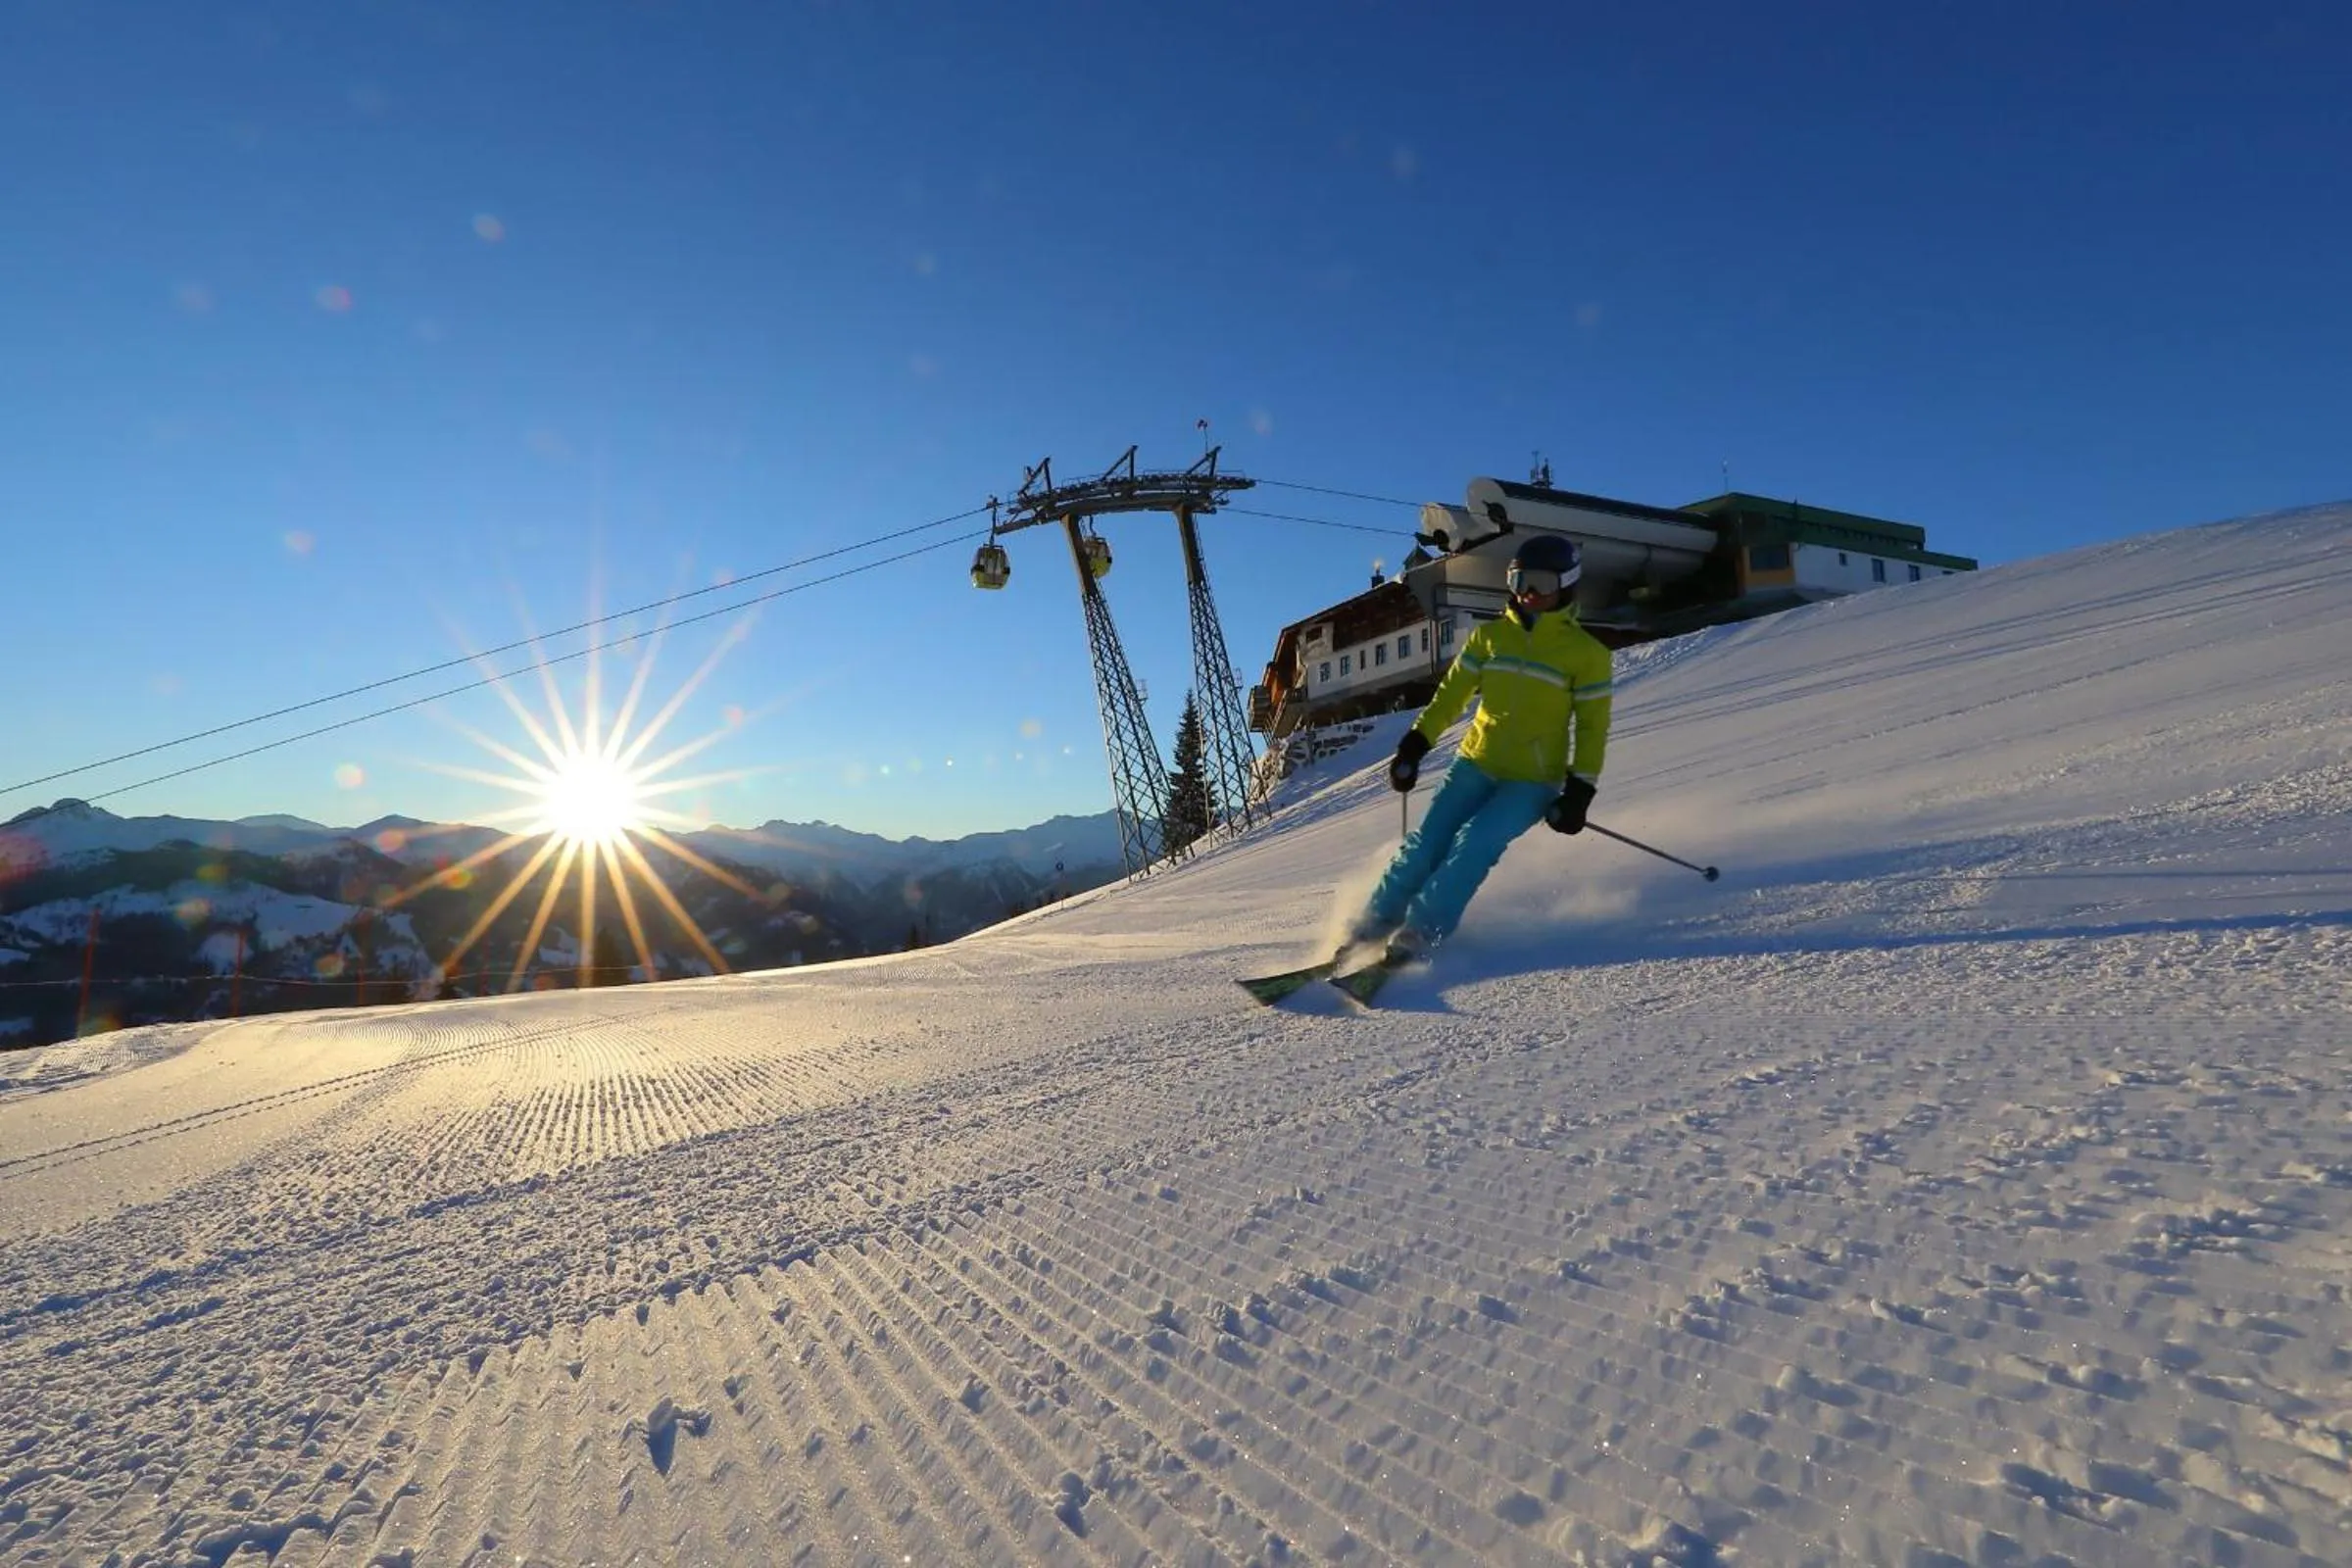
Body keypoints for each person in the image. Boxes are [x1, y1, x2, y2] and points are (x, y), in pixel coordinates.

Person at [1344, 532, 1614, 963]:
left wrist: (1579, 791)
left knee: (1474, 845)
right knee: (1427, 844)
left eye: (1540, 583)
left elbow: (1592, 729)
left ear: (1566, 584)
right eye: (1519, 580)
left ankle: (1420, 931)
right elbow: (1449, 699)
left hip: (1531, 781)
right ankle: (1372, 926)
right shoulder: (1489, 639)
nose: (1528, 593)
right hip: (1475, 764)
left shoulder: (1587, 655)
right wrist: (1415, 746)